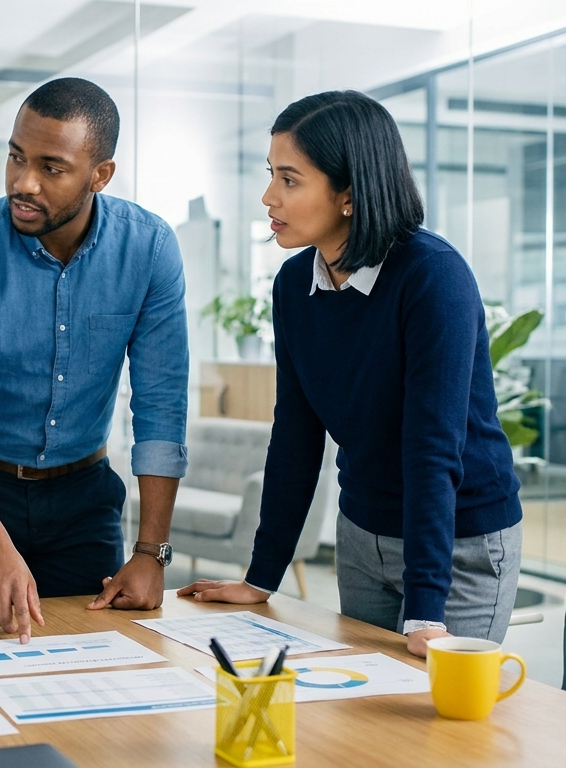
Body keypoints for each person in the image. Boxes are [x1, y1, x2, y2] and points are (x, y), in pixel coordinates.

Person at [178, 91, 523, 658]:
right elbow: (295, 435)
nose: (268, 197)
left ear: (349, 194)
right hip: (364, 536)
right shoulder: (294, 286)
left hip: (460, 542)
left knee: (438, 723)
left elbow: (432, 447)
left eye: (289, 179)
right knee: (365, 717)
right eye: (271, 175)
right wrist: (261, 577)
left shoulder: (433, 278)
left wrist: (426, 609)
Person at [0, 77, 189, 642]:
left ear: (100, 174)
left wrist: (152, 553)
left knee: (90, 670)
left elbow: (160, 405)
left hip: (84, 499)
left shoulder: (149, 249)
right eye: (15, 157)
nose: (23, 182)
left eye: (51, 167)